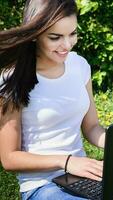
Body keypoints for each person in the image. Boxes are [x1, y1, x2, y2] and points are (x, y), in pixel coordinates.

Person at [0, 0, 105, 199]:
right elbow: (9, 158)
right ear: (35, 35)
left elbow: (92, 128)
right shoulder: (13, 79)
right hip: (41, 186)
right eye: (55, 37)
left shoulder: (79, 66)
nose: (67, 45)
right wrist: (66, 161)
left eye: (72, 33)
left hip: (81, 177)